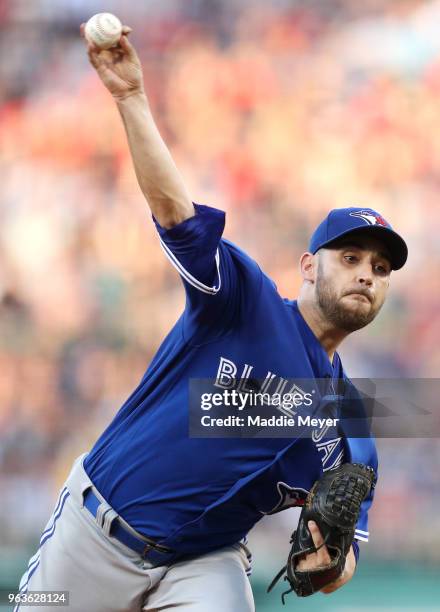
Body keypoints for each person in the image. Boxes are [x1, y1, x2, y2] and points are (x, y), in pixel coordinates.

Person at [14, 24, 408, 612]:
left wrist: (331, 562)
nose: (365, 274)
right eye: (349, 257)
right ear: (307, 265)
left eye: (379, 268)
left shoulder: (351, 425)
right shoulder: (242, 299)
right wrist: (130, 99)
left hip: (204, 562)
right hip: (97, 534)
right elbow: (175, 213)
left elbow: (344, 562)